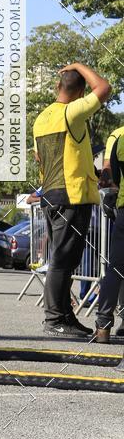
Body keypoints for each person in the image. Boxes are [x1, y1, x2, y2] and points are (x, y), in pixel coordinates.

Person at [33, 62, 111, 338]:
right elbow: (104, 88)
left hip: (52, 194)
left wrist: (91, 172)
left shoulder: (41, 118)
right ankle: (55, 319)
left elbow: (41, 158)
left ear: (57, 86)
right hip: (71, 196)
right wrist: (80, 65)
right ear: (80, 92)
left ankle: (65, 317)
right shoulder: (72, 112)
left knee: (63, 259)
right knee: (63, 260)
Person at [95, 132, 124, 342]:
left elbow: (113, 174)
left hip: (123, 209)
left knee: (115, 269)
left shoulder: (120, 138)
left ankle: (103, 326)